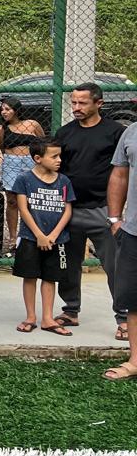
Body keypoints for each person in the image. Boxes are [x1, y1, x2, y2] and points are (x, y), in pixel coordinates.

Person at [57, 82, 127, 340]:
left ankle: (124, 318)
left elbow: (124, 171)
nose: (76, 107)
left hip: (105, 211)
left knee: (116, 267)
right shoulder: (65, 133)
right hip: (70, 211)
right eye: (73, 102)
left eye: (82, 103)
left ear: (99, 103)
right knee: (67, 266)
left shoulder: (115, 132)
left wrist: (117, 213)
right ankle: (70, 310)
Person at [11, 138, 74, 337]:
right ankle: (31, 317)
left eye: (60, 155)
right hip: (31, 238)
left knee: (50, 278)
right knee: (29, 276)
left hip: (57, 240)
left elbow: (67, 211)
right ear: (38, 158)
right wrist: (39, 235)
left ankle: (48, 318)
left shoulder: (64, 181)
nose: (59, 160)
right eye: (54, 156)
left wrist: (53, 235)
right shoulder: (24, 179)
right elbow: (23, 209)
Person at [103, 120, 137, 380]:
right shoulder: (132, 131)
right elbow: (119, 174)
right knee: (133, 299)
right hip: (133, 231)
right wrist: (115, 219)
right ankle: (135, 360)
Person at [0, 97, 46, 254]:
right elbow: (1, 146)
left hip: (30, 163)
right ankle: (12, 239)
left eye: (8, 109)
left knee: (32, 200)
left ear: (16, 110)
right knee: (12, 201)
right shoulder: (1, 128)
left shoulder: (32, 124)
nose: (4, 112)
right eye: (2, 109)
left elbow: (43, 142)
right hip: (11, 163)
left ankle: (31, 234)